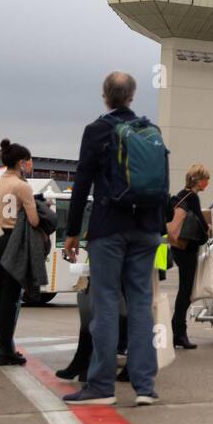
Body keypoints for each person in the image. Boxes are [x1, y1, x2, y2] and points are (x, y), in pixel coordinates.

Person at [62, 71, 166, 406]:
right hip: (147, 227)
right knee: (140, 303)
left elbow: (82, 183)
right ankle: (145, 387)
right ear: (132, 96)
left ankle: (101, 386)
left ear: (105, 96)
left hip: (109, 226)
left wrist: (73, 231)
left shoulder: (97, 130)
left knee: (105, 301)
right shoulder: (152, 131)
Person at [0, 139, 40, 366]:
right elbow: (34, 220)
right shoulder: (22, 186)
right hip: (12, 241)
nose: (29, 165)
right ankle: (6, 347)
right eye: (27, 161)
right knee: (11, 296)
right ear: (20, 162)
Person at [168, 163, 211, 349]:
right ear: (199, 181)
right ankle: (179, 331)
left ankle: (177, 329)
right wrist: (208, 227)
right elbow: (201, 224)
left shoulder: (180, 194)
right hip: (187, 249)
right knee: (185, 291)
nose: (207, 183)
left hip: (177, 247)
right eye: (206, 180)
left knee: (184, 289)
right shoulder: (192, 197)